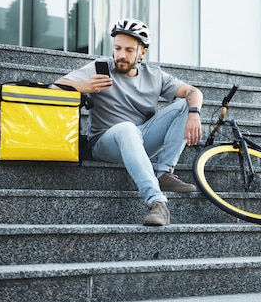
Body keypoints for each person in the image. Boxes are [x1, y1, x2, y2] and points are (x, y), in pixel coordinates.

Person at [55, 18, 203, 227]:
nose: (121, 55)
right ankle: (157, 203)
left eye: (129, 50)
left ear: (143, 52)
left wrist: (194, 114)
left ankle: (163, 173)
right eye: (117, 48)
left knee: (186, 104)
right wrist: (86, 86)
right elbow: (55, 87)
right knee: (127, 129)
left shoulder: (155, 75)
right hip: (105, 143)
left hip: (141, 138)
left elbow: (193, 92)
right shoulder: (101, 68)